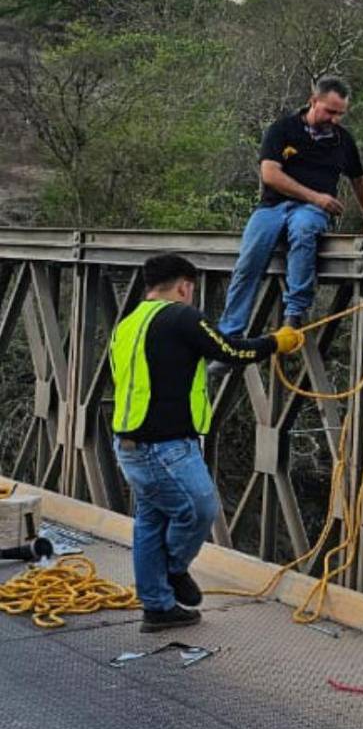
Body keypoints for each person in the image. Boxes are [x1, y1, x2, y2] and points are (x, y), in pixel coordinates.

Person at [109, 253, 304, 632]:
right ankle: (174, 570)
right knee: (199, 509)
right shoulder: (182, 316)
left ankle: (158, 608)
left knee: (151, 521)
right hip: (165, 447)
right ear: (184, 287)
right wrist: (277, 342)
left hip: (129, 444)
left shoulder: (128, 324)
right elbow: (229, 351)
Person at [209, 77, 363, 378]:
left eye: (340, 114)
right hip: (274, 206)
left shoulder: (343, 140)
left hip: (310, 212)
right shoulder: (282, 130)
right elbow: (271, 174)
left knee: (304, 232)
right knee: (248, 262)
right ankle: (229, 338)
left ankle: (293, 314)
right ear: (313, 101)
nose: (334, 119)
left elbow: (358, 178)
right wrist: (316, 197)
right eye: (329, 111)